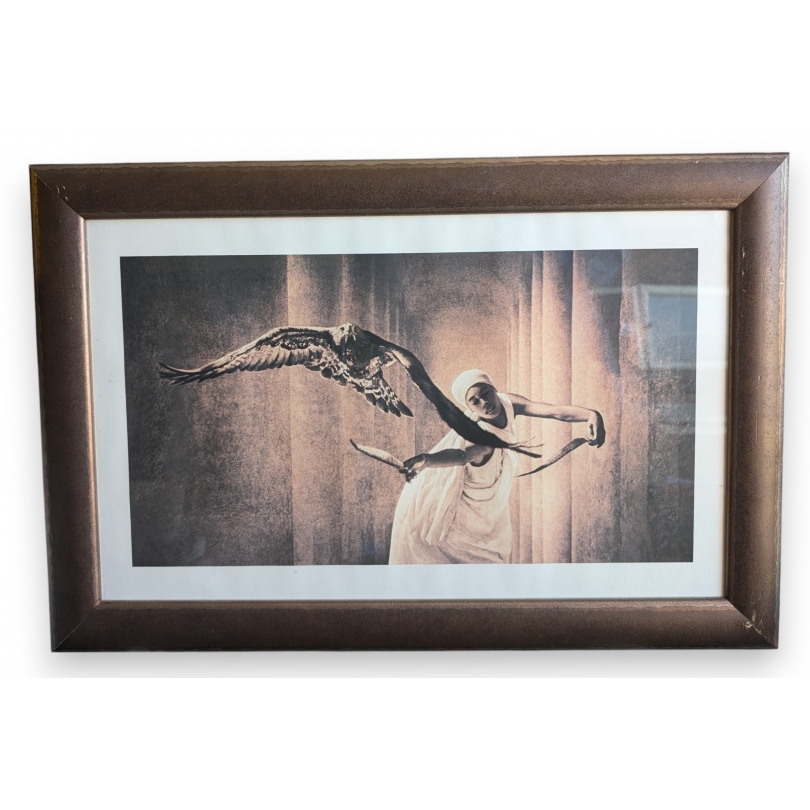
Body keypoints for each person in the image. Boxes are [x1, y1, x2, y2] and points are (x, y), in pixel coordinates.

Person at [388, 369, 605, 564]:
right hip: (468, 512)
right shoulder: (481, 437)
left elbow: (554, 411)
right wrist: (427, 460)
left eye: (485, 393)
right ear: (469, 408)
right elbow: (462, 456)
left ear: (494, 388)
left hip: (491, 503)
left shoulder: (508, 403)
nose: (484, 403)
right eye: (474, 401)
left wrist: (591, 414)